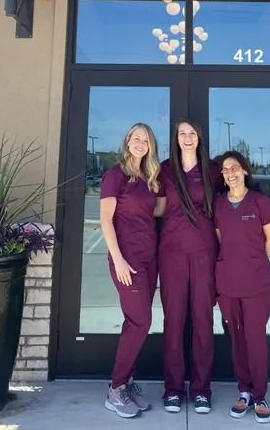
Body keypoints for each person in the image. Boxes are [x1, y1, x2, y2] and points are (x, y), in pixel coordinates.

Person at [156, 119, 221, 414]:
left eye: (191, 133)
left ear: (200, 137)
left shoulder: (213, 170)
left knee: (203, 321)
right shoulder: (165, 169)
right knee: (174, 320)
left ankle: (201, 389)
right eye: (182, 133)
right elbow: (154, 206)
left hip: (205, 252)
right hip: (171, 253)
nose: (187, 137)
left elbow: (233, 199)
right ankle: (172, 388)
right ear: (176, 138)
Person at [100, 122, 162, 418]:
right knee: (141, 321)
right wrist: (119, 260)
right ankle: (115, 389)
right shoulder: (115, 176)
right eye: (136, 138)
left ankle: (127, 383)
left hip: (149, 260)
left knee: (133, 322)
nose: (140, 143)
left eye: (146, 140)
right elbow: (105, 221)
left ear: (150, 147)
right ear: (127, 142)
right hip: (128, 261)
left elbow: (157, 211)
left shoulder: (149, 178)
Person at [214, 151, 270, 424]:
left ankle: (260, 395)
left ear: (245, 171)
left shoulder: (260, 202)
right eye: (226, 169)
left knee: (255, 337)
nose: (230, 173)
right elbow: (221, 240)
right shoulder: (218, 205)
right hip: (228, 283)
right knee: (237, 339)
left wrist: (253, 264)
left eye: (235, 167)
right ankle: (244, 391)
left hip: (256, 283)